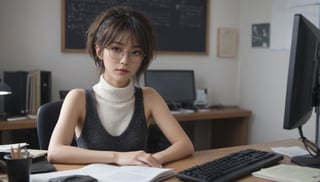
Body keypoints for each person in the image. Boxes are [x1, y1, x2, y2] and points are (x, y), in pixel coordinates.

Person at [47, 6, 194, 168]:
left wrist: (154, 159)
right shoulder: (78, 98)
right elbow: (55, 151)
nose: (125, 60)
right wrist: (117, 157)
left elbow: (185, 145)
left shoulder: (149, 97)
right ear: (99, 51)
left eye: (136, 52)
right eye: (116, 49)